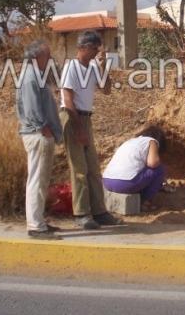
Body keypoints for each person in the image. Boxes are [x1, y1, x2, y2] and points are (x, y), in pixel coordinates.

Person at [59, 31, 122, 230]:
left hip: (86, 118)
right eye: (95, 48)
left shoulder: (93, 66)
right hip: (73, 117)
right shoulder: (71, 67)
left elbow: (106, 89)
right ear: (84, 47)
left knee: (93, 169)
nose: (97, 52)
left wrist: (103, 66)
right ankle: (82, 213)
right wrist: (79, 129)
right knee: (79, 169)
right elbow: (67, 99)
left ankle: (99, 211)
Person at [16, 40, 63, 240]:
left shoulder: (35, 76)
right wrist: (44, 129)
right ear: (37, 57)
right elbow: (33, 109)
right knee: (36, 180)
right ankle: (35, 226)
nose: (49, 58)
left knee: (41, 180)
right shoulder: (30, 78)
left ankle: (39, 222)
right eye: (47, 55)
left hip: (40, 134)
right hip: (38, 135)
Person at [102, 125, 167, 212]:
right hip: (125, 184)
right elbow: (153, 163)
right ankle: (144, 202)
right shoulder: (152, 141)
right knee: (159, 169)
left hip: (107, 182)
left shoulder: (130, 141)